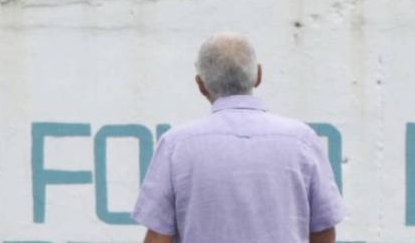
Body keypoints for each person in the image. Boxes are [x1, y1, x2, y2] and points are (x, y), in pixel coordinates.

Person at [132, 33, 345, 243]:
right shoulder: (302, 140)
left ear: (201, 85)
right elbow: (324, 231)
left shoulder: (175, 145)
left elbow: (157, 238)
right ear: (258, 75)